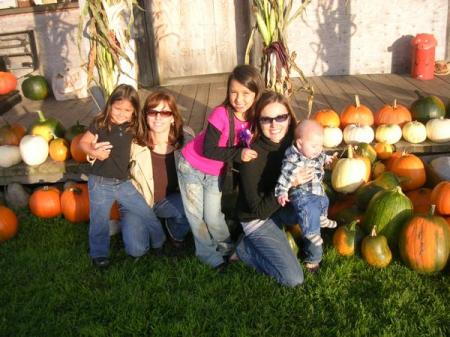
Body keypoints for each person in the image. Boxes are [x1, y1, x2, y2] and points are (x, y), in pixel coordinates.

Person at [177, 64, 264, 269]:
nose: (239, 99)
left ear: (256, 93)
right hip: (192, 167)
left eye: (245, 93)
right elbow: (208, 149)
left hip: (214, 172)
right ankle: (209, 256)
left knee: (213, 215)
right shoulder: (221, 114)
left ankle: (226, 247)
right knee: (196, 216)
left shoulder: (253, 119)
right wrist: (238, 154)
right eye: (233, 92)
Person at [235, 90, 317, 287]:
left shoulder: (294, 143)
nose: (274, 125)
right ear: (258, 121)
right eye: (266, 119)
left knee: (313, 204)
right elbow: (259, 211)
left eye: (280, 117)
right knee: (294, 279)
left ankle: (307, 247)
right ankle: (244, 249)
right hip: (257, 217)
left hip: (280, 207)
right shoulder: (252, 156)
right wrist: (291, 183)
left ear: (289, 118)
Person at [79, 84, 166, 268]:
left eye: (127, 110)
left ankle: (160, 243)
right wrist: (93, 151)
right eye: (117, 108)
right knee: (99, 221)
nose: (121, 114)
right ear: (110, 105)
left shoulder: (133, 127)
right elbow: (83, 142)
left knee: (146, 213)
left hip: (123, 183)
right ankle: (99, 255)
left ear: (134, 111)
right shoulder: (100, 123)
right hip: (100, 182)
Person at [127, 90, 193, 252]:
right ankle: (146, 223)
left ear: (173, 117)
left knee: (192, 206)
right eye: (153, 112)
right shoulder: (133, 142)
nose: (158, 118)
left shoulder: (185, 140)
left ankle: (174, 231)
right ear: (145, 116)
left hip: (168, 199)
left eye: (164, 112)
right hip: (138, 201)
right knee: (137, 249)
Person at [275, 120, 337, 271]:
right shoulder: (293, 159)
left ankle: (322, 217)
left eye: (320, 145)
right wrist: (282, 192)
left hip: (316, 192)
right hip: (301, 194)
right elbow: (284, 178)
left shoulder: (313, 152)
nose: (319, 149)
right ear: (300, 144)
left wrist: (327, 158)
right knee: (309, 213)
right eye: (314, 146)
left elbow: (320, 155)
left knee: (324, 201)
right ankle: (311, 238)